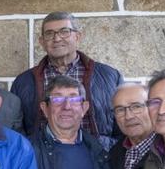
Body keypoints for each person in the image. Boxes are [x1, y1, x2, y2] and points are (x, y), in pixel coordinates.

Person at [10, 11, 122, 142]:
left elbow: (122, 123)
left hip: (98, 157)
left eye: (64, 31)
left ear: (78, 37)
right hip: (43, 158)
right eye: (49, 34)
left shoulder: (110, 77)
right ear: (42, 42)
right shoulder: (24, 81)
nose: (57, 38)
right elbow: (16, 129)